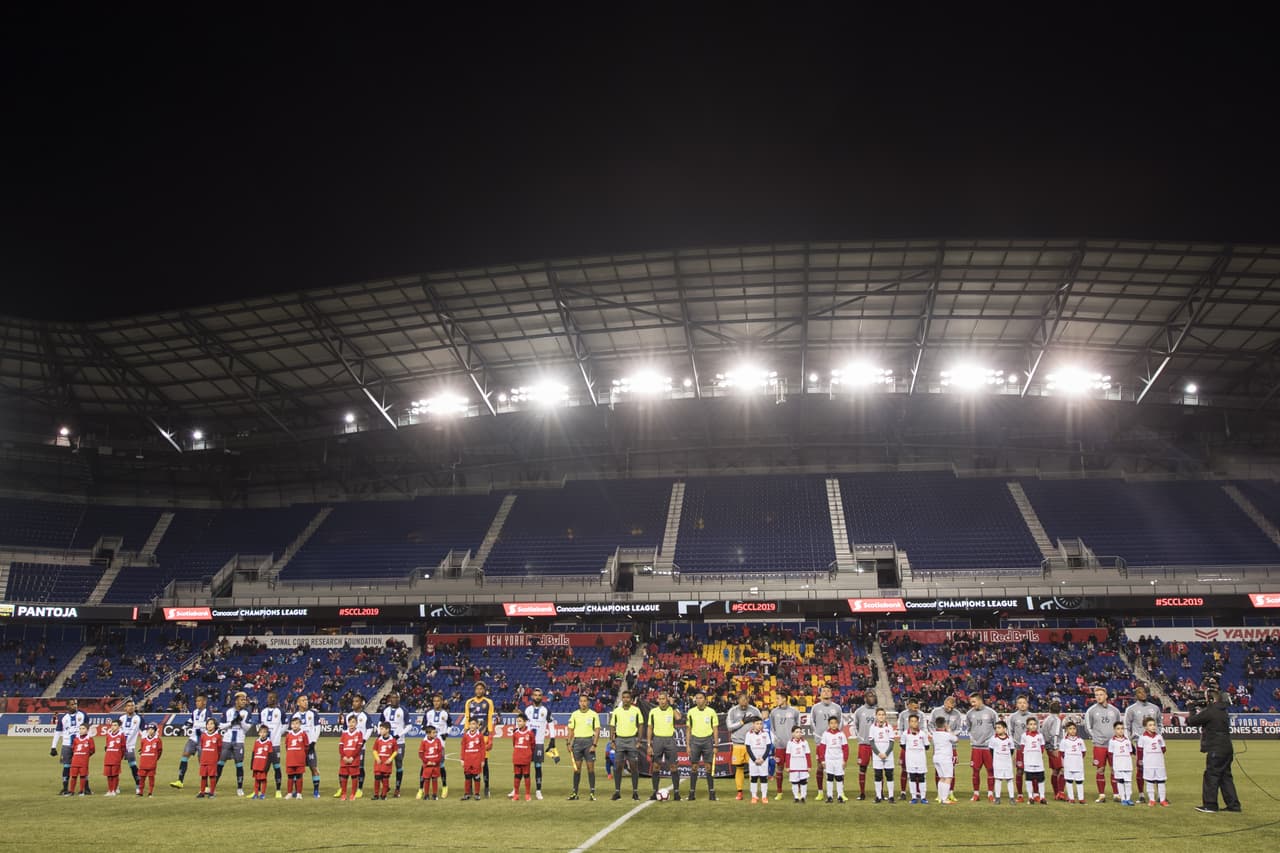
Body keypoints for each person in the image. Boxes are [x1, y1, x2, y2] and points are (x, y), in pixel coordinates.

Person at [1185, 687, 1241, 813]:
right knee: (1225, 777)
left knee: (1211, 775)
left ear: (1211, 699)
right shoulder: (1223, 711)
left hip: (1216, 748)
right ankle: (1233, 805)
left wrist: (1191, 708)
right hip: (1227, 747)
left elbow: (1191, 721)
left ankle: (1210, 805)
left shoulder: (1211, 711)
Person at [1124, 685, 1162, 803]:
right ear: (1136, 695)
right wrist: (1130, 742)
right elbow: (1127, 726)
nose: (1143, 694)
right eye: (1140, 693)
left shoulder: (1155, 708)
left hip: (1153, 743)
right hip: (1139, 743)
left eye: (1145, 692)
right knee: (1140, 768)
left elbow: (1159, 723)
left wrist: (1158, 737)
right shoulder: (1131, 709)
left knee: (1156, 768)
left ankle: (1160, 795)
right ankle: (1141, 794)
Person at [1084, 686, 1121, 802]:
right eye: (1096, 695)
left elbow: (1119, 726)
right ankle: (1101, 795)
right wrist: (1095, 737)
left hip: (1113, 745)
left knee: (1115, 769)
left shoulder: (1115, 711)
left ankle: (1116, 794)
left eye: (1101, 695)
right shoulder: (1091, 711)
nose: (1098, 697)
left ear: (1106, 696)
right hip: (1099, 745)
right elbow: (1087, 727)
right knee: (1100, 769)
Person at [646, 690, 683, 801]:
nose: (662, 701)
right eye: (660, 699)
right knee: (656, 766)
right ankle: (654, 792)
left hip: (669, 740)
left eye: (664, 699)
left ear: (667, 699)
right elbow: (649, 728)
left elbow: (678, 718)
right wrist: (649, 744)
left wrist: (673, 705)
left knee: (673, 766)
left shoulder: (672, 709)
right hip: (657, 740)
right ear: (658, 700)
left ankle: (676, 793)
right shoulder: (653, 712)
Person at [727, 691, 762, 801]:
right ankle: (739, 792)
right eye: (741, 699)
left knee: (753, 769)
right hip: (738, 743)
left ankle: (754, 792)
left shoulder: (755, 710)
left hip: (752, 745)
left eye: (746, 699)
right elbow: (729, 727)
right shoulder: (733, 711)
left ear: (748, 700)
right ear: (738, 700)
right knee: (739, 768)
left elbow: (761, 725)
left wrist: (755, 727)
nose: (744, 701)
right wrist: (742, 722)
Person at [335, 694, 372, 799]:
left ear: (361, 703)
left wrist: (364, 740)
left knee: (359, 767)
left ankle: (359, 789)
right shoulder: (348, 716)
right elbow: (344, 730)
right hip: (347, 748)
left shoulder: (365, 716)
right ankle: (342, 788)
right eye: (353, 701)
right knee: (343, 767)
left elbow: (369, 729)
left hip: (359, 747)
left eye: (356, 701)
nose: (354, 703)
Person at [610, 690, 644, 801]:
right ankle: (617, 792)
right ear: (622, 699)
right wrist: (612, 741)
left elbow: (640, 725)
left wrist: (639, 740)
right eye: (623, 697)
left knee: (634, 766)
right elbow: (612, 726)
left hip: (631, 740)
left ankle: (635, 792)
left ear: (630, 699)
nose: (625, 699)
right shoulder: (617, 711)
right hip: (619, 740)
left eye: (627, 697)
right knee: (618, 767)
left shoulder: (636, 710)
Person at [463, 683, 495, 798]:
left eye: (481, 688)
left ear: (484, 690)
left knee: (484, 763)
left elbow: (490, 718)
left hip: (484, 736)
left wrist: (490, 736)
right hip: (471, 736)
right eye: (477, 688)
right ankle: (470, 788)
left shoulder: (488, 702)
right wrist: (465, 733)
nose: (479, 690)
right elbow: (467, 718)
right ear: (474, 690)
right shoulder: (469, 702)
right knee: (470, 763)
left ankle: (486, 787)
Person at [171, 693, 209, 789]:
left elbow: (209, 724)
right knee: (184, 756)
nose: (197, 703)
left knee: (202, 762)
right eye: (196, 701)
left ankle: (206, 785)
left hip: (202, 740)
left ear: (204, 702)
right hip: (193, 738)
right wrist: (182, 728)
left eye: (199, 701)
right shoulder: (195, 712)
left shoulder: (207, 712)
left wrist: (200, 727)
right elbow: (190, 721)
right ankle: (180, 781)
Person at [566, 693, 601, 801]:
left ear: (588, 702)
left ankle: (592, 793)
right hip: (577, 743)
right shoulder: (574, 714)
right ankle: (574, 793)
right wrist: (569, 743)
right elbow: (571, 730)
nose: (583, 703)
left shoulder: (594, 714)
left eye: (585, 701)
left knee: (590, 769)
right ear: (579, 702)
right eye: (581, 701)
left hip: (588, 742)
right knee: (577, 770)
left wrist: (594, 745)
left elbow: (597, 730)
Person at [685, 690, 719, 801]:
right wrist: (688, 745)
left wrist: (716, 745)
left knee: (708, 768)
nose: (698, 700)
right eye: (697, 698)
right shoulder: (691, 712)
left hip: (707, 741)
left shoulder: (711, 712)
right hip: (695, 741)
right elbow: (688, 729)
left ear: (705, 699)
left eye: (701, 698)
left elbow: (715, 729)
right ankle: (691, 793)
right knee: (694, 767)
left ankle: (712, 793)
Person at [218, 690, 252, 797]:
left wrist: (240, 721)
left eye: (245, 700)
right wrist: (232, 722)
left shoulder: (246, 713)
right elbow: (220, 726)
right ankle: (213, 785)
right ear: (236, 700)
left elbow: (248, 728)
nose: (244, 702)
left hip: (239, 741)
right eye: (241, 700)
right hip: (227, 740)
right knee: (220, 763)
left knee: (239, 764)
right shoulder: (228, 711)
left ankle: (240, 788)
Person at [52, 697, 88, 796]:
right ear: (67, 706)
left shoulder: (83, 715)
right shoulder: (63, 718)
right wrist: (53, 747)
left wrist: (87, 743)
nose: (75, 706)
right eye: (72, 704)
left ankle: (86, 788)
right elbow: (58, 732)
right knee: (66, 766)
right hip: (67, 745)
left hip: (79, 745)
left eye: (76, 704)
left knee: (82, 766)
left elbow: (87, 730)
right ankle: (65, 788)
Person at [929, 695, 962, 802]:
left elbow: (959, 728)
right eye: (948, 706)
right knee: (947, 774)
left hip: (944, 749)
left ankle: (948, 793)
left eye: (952, 706)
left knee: (946, 773)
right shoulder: (936, 711)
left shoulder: (957, 714)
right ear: (945, 702)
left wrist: (938, 734)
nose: (950, 708)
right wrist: (946, 732)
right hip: (946, 748)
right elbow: (930, 725)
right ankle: (944, 797)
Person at [809, 687, 842, 793]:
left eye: (828, 691)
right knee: (820, 766)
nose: (826, 692)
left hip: (834, 743)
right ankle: (820, 792)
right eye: (824, 691)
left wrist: (836, 736)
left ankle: (839, 792)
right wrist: (818, 736)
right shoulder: (815, 707)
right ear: (820, 694)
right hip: (820, 742)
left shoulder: (837, 708)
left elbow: (840, 722)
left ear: (832, 693)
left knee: (838, 767)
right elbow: (812, 722)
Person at [966, 694, 997, 802]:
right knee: (975, 771)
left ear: (980, 700)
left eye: (974, 702)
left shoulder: (991, 713)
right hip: (976, 747)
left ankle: (990, 794)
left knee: (990, 770)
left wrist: (991, 741)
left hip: (988, 748)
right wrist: (973, 739)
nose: (972, 704)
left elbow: (996, 727)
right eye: (971, 702)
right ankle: (976, 794)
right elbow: (969, 728)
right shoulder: (969, 714)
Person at [767, 692, 799, 799]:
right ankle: (779, 792)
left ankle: (797, 792)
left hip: (793, 745)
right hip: (780, 745)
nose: (776, 700)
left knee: (795, 768)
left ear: (785, 699)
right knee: (779, 768)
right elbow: (772, 728)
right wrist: (776, 738)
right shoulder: (774, 712)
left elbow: (798, 727)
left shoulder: (794, 711)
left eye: (778, 698)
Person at [422, 693, 452, 799]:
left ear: (442, 701)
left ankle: (444, 787)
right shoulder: (428, 713)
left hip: (440, 745)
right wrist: (428, 731)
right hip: (428, 744)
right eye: (434, 701)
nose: (436, 703)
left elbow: (450, 725)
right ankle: (421, 789)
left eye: (438, 701)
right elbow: (423, 726)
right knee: (425, 766)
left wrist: (446, 733)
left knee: (441, 766)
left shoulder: (445, 713)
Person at [380, 691, 410, 797]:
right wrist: (382, 733)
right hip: (387, 742)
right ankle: (385, 786)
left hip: (399, 742)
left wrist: (399, 735)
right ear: (389, 699)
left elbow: (409, 726)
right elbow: (381, 722)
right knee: (383, 765)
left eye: (396, 698)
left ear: (399, 699)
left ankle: (397, 789)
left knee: (398, 765)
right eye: (392, 698)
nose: (394, 699)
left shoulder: (403, 711)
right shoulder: (386, 710)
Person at [852, 691, 879, 801]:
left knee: (878, 769)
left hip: (877, 745)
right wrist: (860, 738)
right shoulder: (859, 711)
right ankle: (862, 793)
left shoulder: (878, 711)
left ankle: (880, 793)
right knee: (862, 768)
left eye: (873, 696)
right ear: (865, 698)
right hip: (864, 745)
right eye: (870, 696)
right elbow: (855, 726)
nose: (872, 698)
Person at [1136, 717, 1169, 807]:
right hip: (1148, 763)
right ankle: (1152, 800)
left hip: (1159, 763)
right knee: (1150, 781)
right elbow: (1139, 751)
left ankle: (1162, 800)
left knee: (1161, 781)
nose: (1153, 727)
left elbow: (1163, 748)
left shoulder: (1159, 737)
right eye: (1150, 725)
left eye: (1154, 725)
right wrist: (1140, 762)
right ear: (1145, 727)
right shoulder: (1142, 738)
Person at [523, 688, 550, 800]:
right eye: (535, 695)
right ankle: (517, 789)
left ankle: (538, 791)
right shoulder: (527, 710)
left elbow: (551, 723)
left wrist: (552, 739)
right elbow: (523, 725)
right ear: (532, 696)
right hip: (527, 744)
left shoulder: (545, 710)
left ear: (542, 697)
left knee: (537, 767)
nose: (537, 697)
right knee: (523, 767)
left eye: (539, 695)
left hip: (539, 743)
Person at [1006, 695, 1034, 803]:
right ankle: (1020, 794)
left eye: (1024, 702)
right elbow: (1010, 732)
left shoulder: (1032, 716)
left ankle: (1034, 794)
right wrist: (1014, 744)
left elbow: (1038, 731)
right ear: (1016, 704)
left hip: (1031, 749)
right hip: (1018, 748)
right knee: (1019, 771)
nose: (1022, 705)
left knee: (1032, 771)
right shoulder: (1013, 717)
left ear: (1027, 704)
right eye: (1020, 703)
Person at [258, 691, 286, 798]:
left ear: (276, 699)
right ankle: (259, 790)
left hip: (275, 745)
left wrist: (278, 734)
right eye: (269, 697)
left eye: (272, 697)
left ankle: (278, 790)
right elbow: (260, 726)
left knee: (276, 767)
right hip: (264, 745)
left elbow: (284, 725)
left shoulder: (280, 711)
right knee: (262, 768)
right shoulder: (263, 711)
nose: (270, 699)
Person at [294, 694, 323, 799]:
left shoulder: (313, 714)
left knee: (314, 768)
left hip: (310, 746)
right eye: (303, 700)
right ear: (298, 703)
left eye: (306, 700)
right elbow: (292, 731)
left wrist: (313, 742)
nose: (306, 702)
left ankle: (316, 791)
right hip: (299, 748)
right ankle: (297, 791)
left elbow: (318, 728)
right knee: (297, 770)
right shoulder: (295, 716)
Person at [900, 714, 930, 805]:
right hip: (910, 759)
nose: (914, 723)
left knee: (922, 778)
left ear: (918, 722)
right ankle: (913, 797)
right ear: (909, 722)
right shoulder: (905, 733)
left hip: (921, 759)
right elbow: (902, 745)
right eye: (911, 721)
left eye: (915, 721)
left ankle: (923, 797)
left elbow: (927, 746)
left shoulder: (922, 734)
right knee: (912, 777)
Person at [819, 714, 850, 804]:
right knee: (829, 778)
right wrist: (822, 760)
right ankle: (829, 796)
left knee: (839, 777)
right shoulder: (826, 734)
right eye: (831, 723)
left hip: (839, 760)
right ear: (829, 724)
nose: (833, 725)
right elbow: (822, 748)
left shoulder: (841, 734)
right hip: (829, 759)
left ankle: (840, 796)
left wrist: (845, 760)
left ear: (838, 724)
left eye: (835, 723)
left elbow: (845, 748)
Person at [896, 697, 923, 800]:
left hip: (917, 746)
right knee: (904, 769)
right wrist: (903, 740)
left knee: (917, 769)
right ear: (909, 705)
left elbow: (923, 728)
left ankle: (917, 791)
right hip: (906, 746)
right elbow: (900, 729)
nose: (917, 708)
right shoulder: (903, 715)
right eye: (915, 706)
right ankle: (903, 792)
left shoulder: (921, 715)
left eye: (918, 706)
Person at [869, 707, 896, 803]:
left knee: (889, 775)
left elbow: (892, 742)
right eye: (879, 714)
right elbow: (872, 742)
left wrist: (886, 753)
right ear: (876, 716)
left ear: (885, 716)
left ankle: (891, 796)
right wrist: (879, 753)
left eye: (883, 714)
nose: (881, 716)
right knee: (878, 775)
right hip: (877, 755)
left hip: (888, 755)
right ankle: (878, 796)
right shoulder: (872, 727)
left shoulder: (889, 727)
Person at [337, 714, 365, 801]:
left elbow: (358, 747)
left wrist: (352, 757)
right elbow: (341, 747)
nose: (351, 724)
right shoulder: (344, 733)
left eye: (353, 722)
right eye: (350, 722)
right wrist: (344, 757)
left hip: (354, 759)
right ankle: (344, 794)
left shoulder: (359, 733)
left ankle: (353, 794)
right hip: (344, 760)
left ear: (356, 723)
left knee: (354, 777)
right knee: (344, 776)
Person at [459, 718, 488, 801]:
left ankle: (477, 794)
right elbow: (463, 747)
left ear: (477, 725)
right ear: (469, 725)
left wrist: (482, 760)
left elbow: (483, 748)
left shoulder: (480, 735)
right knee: (467, 777)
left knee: (476, 777)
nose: (472, 726)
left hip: (476, 759)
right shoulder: (465, 735)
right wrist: (462, 759)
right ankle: (467, 794)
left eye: (474, 724)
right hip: (467, 759)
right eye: (471, 724)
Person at [1020, 717, 1048, 805]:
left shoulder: (1040, 736)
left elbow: (1042, 747)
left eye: (1034, 724)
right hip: (1028, 761)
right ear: (1027, 726)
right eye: (1031, 724)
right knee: (1029, 779)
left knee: (1041, 779)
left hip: (1038, 761)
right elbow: (1022, 748)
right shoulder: (1024, 736)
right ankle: (1030, 797)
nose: (1033, 726)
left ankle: (1042, 797)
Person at [1107, 722, 1136, 805]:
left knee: (1128, 782)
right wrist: (1112, 766)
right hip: (1118, 765)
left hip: (1127, 765)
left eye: (1122, 729)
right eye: (1118, 729)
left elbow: (1130, 752)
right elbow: (1110, 754)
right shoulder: (1112, 741)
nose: (1120, 731)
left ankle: (1128, 799)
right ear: (1114, 730)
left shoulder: (1127, 741)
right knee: (1120, 782)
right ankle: (1123, 799)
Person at [118, 699, 143, 795]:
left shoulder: (139, 719)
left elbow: (144, 733)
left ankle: (138, 786)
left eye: (132, 705)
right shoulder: (121, 718)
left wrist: (143, 745)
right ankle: (115, 786)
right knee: (116, 766)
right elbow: (115, 731)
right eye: (128, 705)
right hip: (119, 747)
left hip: (130, 747)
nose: (130, 707)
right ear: (125, 708)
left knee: (133, 766)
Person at [931, 717, 958, 805]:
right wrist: (949, 729)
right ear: (945, 724)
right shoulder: (947, 735)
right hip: (945, 758)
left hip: (936, 758)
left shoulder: (934, 734)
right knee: (948, 778)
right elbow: (956, 739)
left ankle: (940, 797)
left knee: (942, 778)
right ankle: (945, 799)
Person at [1060, 721, 1088, 804]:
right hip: (1068, 764)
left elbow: (1083, 752)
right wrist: (1066, 762)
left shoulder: (1080, 740)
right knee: (1069, 781)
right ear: (1066, 730)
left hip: (1078, 764)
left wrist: (1077, 759)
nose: (1072, 730)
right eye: (1070, 729)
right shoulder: (1064, 741)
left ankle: (1081, 798)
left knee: (1079, 781)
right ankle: (1071, 798)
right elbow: (1062, 753)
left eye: (1074, 729)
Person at [745, 717, 771, 804]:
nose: (759, 726)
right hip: (753, 761)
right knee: (754, 778)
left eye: (761, 724)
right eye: (757, 724)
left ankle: (764, 796)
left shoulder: (766, 734)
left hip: (763, 760)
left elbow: (768, 747)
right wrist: (754, 759)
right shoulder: (749, 734)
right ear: (753, 724)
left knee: (764, 778)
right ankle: (754, 796)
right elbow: (748, 748)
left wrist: (763, 758)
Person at [371, 720, 400, 800]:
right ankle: (376, 794)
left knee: (385, 778)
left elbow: (395, 751)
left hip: (387, 762)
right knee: (377, 777)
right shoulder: (378, 740)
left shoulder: (393, 740)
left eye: (382, 729)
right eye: (380, 729)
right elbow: (374, 750)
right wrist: (377, 758)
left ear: (387, 730)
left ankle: (383, 795)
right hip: (379, 762)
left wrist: (390, 759)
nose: (380, 731)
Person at [283, 716, 310, 799]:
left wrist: (302, 755)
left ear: (300, 725)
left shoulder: (303, 734)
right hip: (290, 759)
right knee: (290, 776)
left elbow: (306, 747)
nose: (295, 725)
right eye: (293, 724)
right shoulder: (289, 735)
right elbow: (287, 746)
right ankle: (289, 793)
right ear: (291, 725)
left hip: (299, 759)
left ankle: (299, 793)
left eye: (297, 723)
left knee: (299, 776)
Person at [511, 714, 535, 802]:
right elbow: (514, 744)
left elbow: (533, 745)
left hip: (526, 757)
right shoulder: (515, 733)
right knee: (517, 776)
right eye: (517, 721)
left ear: (525, 722)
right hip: (517, 757)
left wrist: (528, 753)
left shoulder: (530, 733)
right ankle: (516, 794)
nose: (518, 723)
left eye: (520, 721)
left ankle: (527, 794)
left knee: (526, 775)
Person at [418, 724, 445, 801]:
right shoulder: (424, 742)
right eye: (433, 732)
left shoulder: (438, 741)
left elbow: (440, 753)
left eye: (435, 732)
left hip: (435, 765)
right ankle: (426, 795)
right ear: (428, 733)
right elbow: (421, 754)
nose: (435, 734)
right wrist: (427, 762)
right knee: (426, 779)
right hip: (427, 765)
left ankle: (434, 794)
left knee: (434, 779)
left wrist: (435, 762)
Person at [197, 717, 222, 798]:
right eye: (208, 724)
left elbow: (219, 748)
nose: (209, 725)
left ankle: (212, 792)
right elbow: (202, 746)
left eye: (211, 724)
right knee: (203, 776)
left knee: (212, 776)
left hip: (212, 759)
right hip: (204, 759)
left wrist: (216, 758)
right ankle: (202, 792)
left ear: (215, 725)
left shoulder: (217, 736)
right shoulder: (203, 736)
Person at [785, 726, 811, 804]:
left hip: (803, 765)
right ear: (792, 733)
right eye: (796, 732)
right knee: (794, 782)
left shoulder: (805, 742)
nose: (799, 733)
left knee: (803, 781)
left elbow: (808, 754)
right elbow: (788, 755)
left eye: (800, 732)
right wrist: (788, 766)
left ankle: (803, 797)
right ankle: (796, 797)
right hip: (793, 765)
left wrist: (809, 766)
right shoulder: (790, 743)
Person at [990, 721, 1014, 803]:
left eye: (999, 727)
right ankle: (997, 798)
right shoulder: (993, 739)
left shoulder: (1010, 739)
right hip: (997, 763)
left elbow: (1012, 750)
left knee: (1009, 779)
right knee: (998, 779)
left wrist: (1006, 757)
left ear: (1004, 729)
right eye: (996, 728)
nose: (997, 729)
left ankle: (1012, 798)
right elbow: (991, 750)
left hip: (1007, 763)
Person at [137, 722, 163, 797]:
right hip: (143, 761)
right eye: (149, 729)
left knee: (151, 777)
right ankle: (140, 791)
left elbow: (159, 751)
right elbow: (142, 749)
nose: (150, 731)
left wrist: (155, 759)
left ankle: (150, 792)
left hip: (152, 762)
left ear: (155, 730)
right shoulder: (143, 740)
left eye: (152, 729)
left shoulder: (157, 740)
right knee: (142, 777)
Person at [250, 724, 274, 800]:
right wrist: (252, 764)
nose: (263, 734)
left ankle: (263, 794)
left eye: (265, 732)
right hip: (256, 764)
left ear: (267, 733)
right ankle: (256, 793)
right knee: (256, 780)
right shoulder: (256, 742)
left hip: (263, 764)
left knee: (263, 780)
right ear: (259, 733)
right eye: (261, 732)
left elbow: (270, 755)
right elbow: (253, 753)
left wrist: (267, 766)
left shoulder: (269, 742)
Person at [69, 723, 94, 796]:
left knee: (83, 776)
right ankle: (71, 791)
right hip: (75, 760)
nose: (81, 730)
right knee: (73, 776)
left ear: (87, 730)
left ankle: (81, 791)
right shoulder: (76, 739)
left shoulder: (89, 739)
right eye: (80, 729)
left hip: (83, 761)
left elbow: (92, 750)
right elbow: (73, 749)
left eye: (83, 728)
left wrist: (85, 755)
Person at [102, 719, 126, 797]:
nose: (113, 727)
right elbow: (106, 746)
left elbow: (123, 748)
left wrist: (120, 757)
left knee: (115, 775)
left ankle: (114, 790)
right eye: (112, 725)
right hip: (108, 757)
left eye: (115, 725)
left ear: (119, 727)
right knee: (108, 775)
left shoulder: (121, 735)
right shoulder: (108, 735)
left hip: (116, 758)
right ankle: (109, 790)